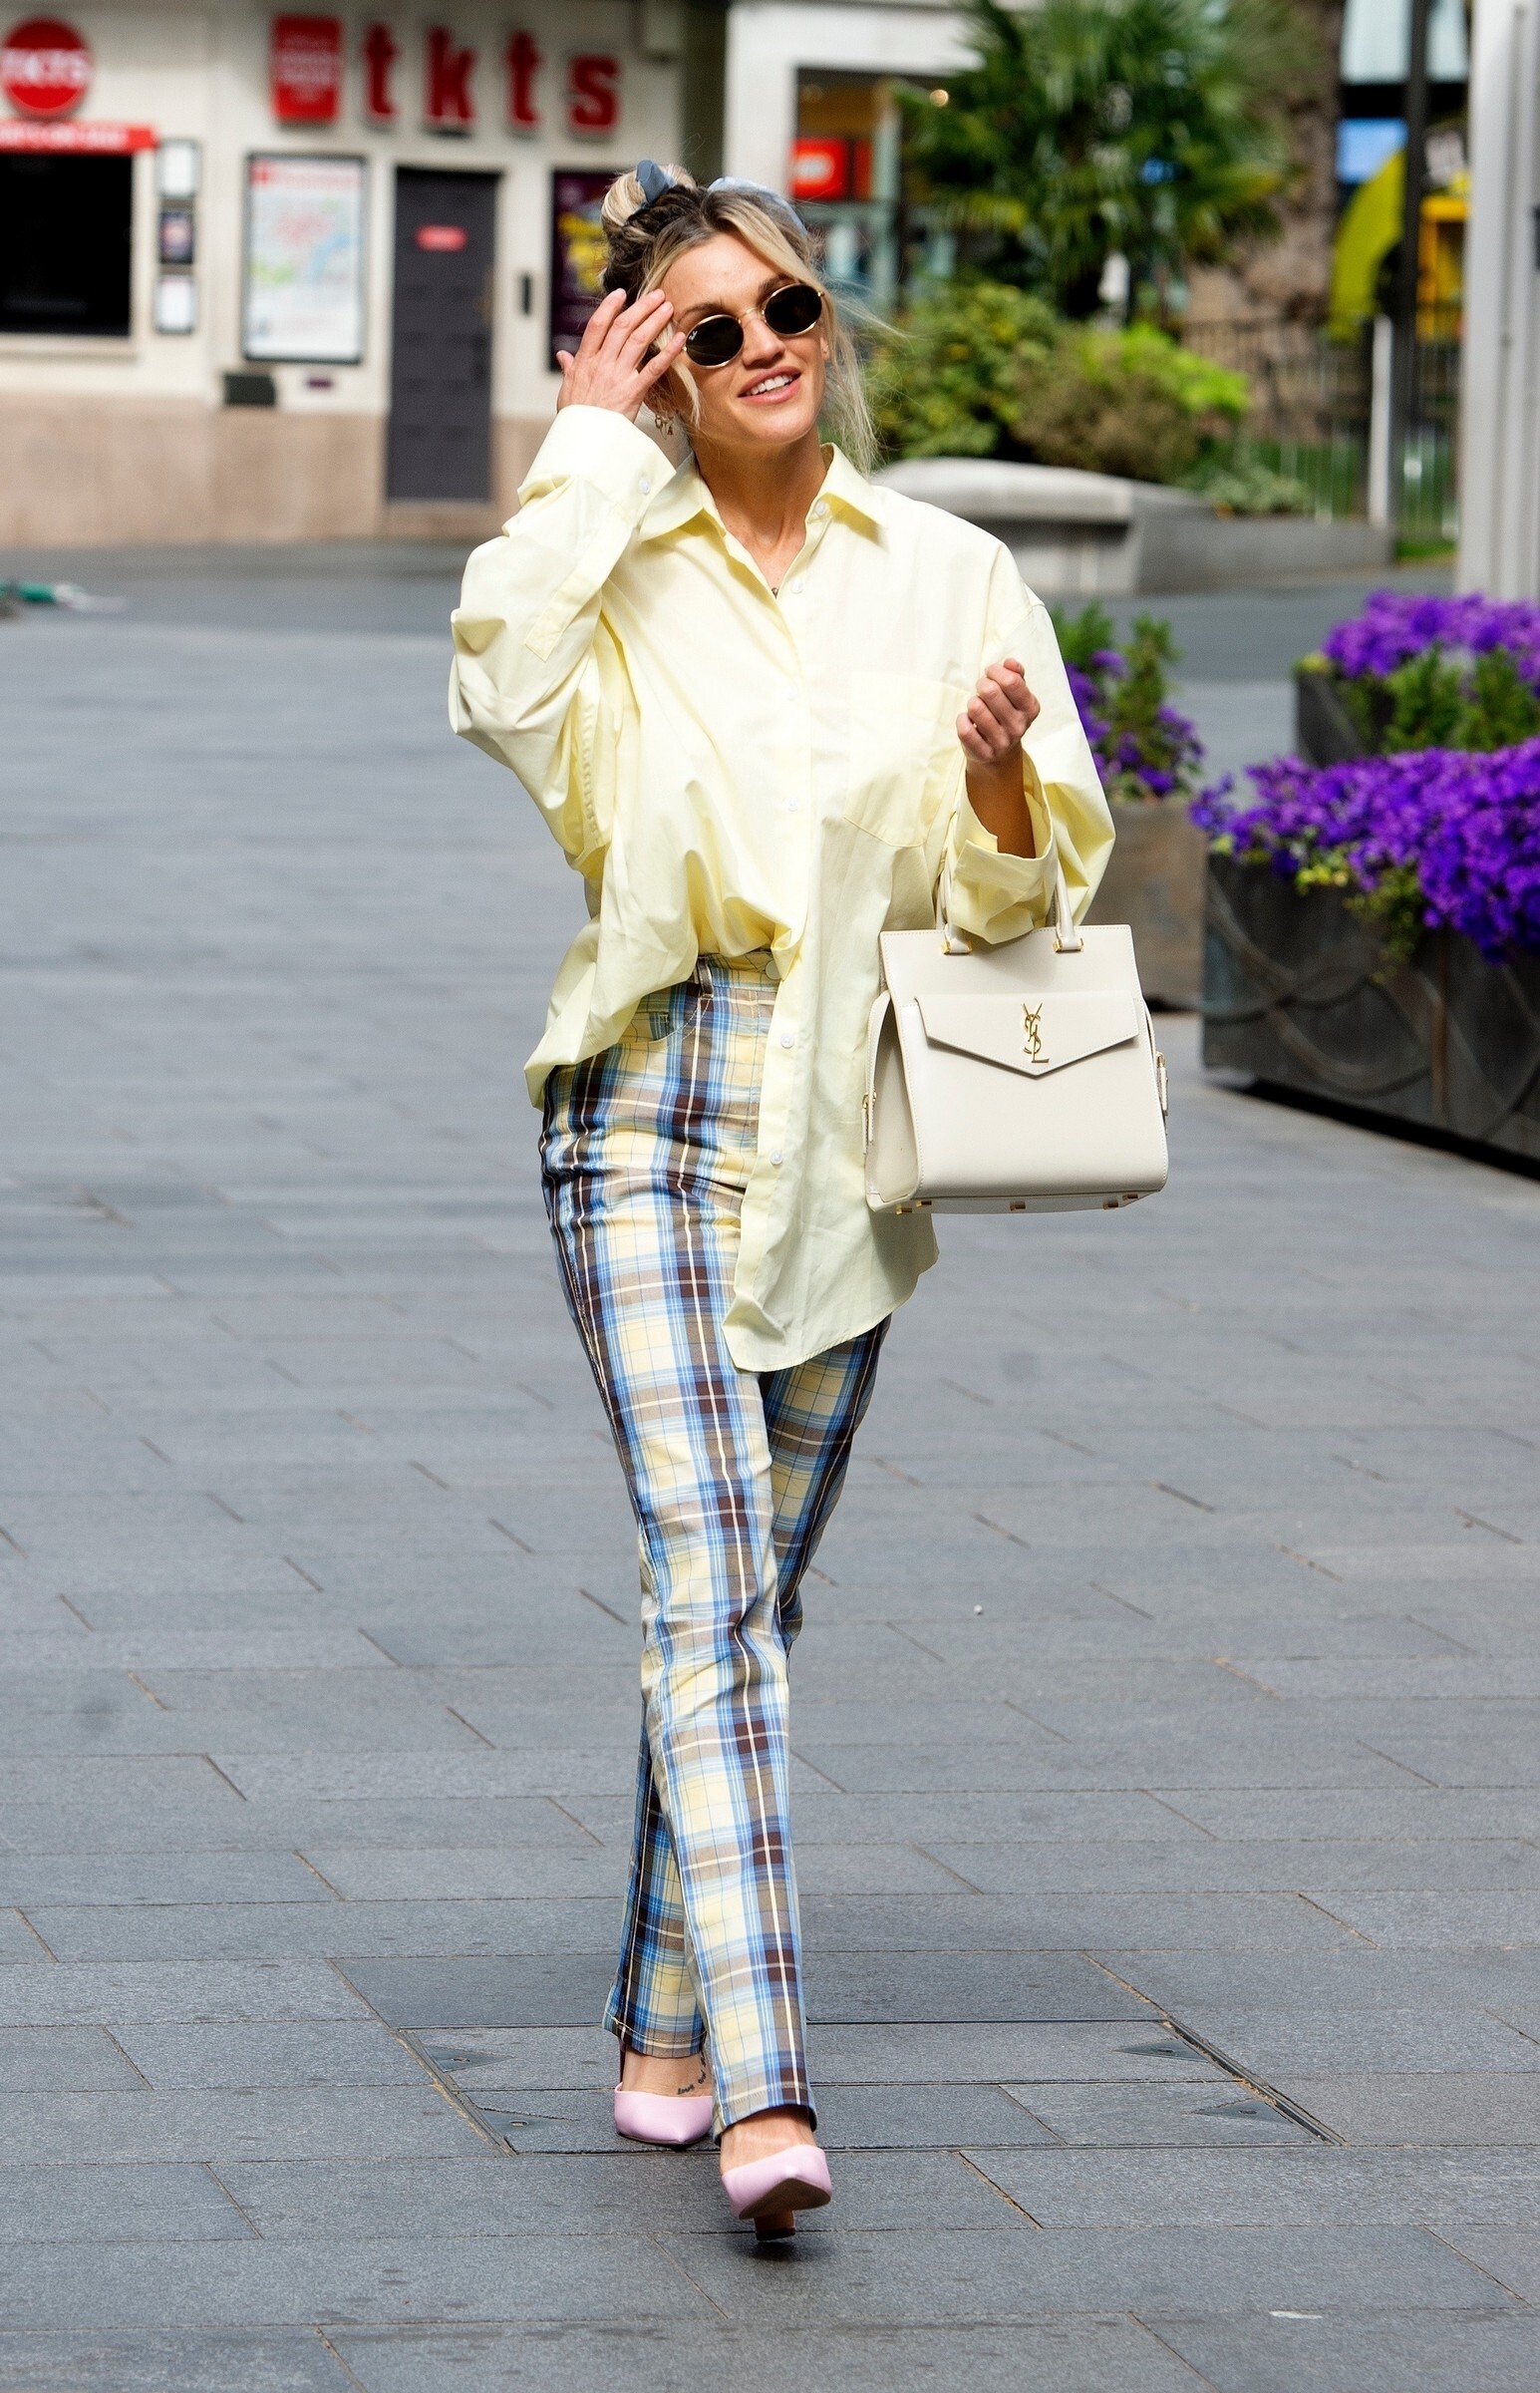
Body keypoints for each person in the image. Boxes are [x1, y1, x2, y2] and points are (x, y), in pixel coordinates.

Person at [450, 161, 1112, 2237]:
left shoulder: (948, 576)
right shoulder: (609, 562)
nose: (761, 350)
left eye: (787, 309)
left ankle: (658, 2022)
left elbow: (1025, 897)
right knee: (710, 1577)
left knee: (731, 1602)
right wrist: (580, 447)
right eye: (707, 329)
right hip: (647, 1103)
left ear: (831, 317)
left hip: (846, 1132)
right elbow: (495, 692)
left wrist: (994, 783)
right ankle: (765, 2085)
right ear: (657, 368)